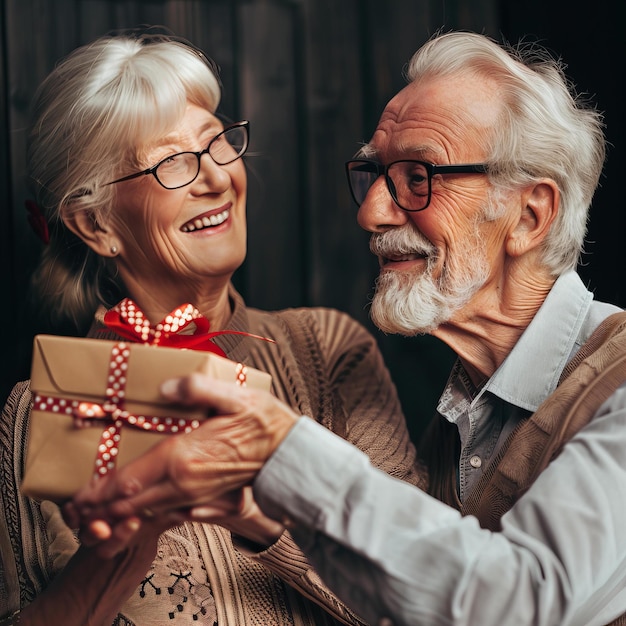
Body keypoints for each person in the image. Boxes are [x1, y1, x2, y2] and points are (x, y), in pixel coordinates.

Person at [67, 30, 626, 626]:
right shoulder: (465, 415)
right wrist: (260, 514)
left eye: (418, 177)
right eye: (374, 174)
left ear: (530, 214)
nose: (370, 213)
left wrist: (278, 449)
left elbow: (522, 603)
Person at [0, 28, 425, 626]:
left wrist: (260, 516)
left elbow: (436, 597)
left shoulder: (327, 352)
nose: (218, 178)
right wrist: (108, 564)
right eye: (173, 163)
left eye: (216, 142)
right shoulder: (39, 413)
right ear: (96, 226)